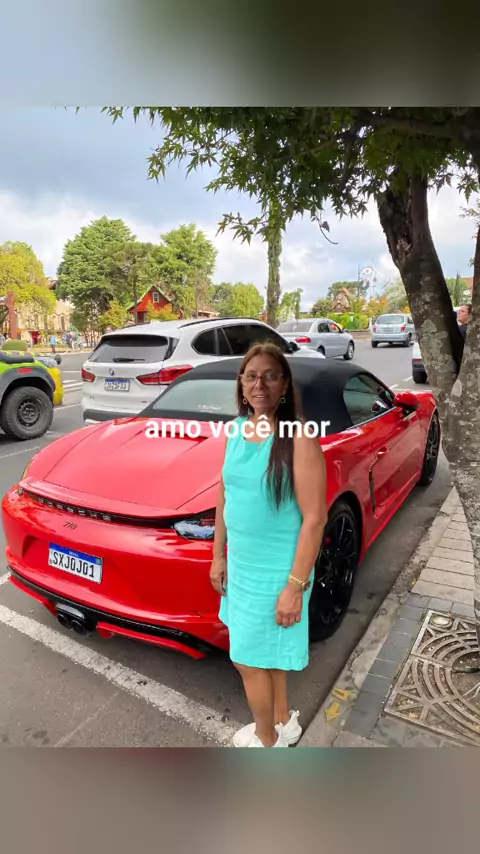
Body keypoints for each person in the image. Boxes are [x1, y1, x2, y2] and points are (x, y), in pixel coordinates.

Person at [210, 343, 328, 748]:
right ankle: (281, 721)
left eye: (269, 376)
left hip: (280, 571)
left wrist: (294, 587)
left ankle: (266, 742)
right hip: (242, 567)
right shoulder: (236, 430)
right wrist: (218, 555)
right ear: (241, 385)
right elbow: (225, 494)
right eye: (251, 376)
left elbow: (315, 519)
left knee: (246, 659)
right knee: (267, 651)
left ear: (284, 385)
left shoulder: (300, 439)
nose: (259, 384)